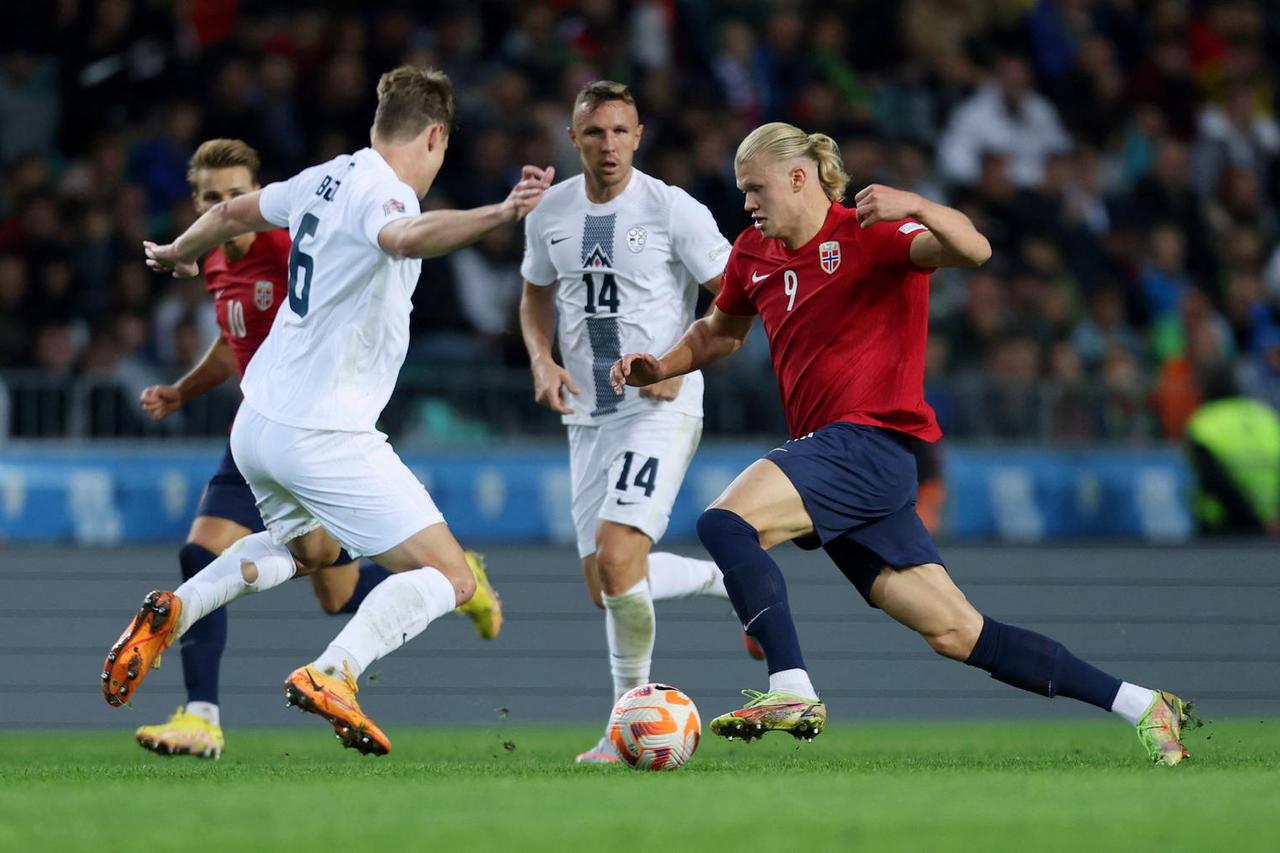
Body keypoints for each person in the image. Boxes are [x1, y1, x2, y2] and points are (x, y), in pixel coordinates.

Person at [612, 122, 1199, 766]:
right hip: (841, 461)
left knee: (725, 523)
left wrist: (918, 205)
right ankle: (1143, 704)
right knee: (959, 633)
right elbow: (720, 332)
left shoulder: (874, 233)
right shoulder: (753, 253)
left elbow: (974, 251)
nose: (747, 204)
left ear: (799, 178)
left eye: (755, 188)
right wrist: (662, 366)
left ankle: (790, 687)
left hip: (869, 442)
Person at [103, 65, 549, 756]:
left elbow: (227, 214)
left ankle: (179, 606)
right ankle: (334, 672)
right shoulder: (386, 194)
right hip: (325, 429)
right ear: (435, 136)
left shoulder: (326, 175)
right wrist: (500, 212)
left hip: (257, 423)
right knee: (451, 576)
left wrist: (174, 253)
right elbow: (405, 238)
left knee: (311, 549)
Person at [519, 81, 758, 764]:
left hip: (659, 406)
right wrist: (541, 359)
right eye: (595, 132)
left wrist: (685, 359)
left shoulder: (671, 209)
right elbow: (534, 298)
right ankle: (726, 579)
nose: (608, 144)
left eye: (621, 131)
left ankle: (623, 729)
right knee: (609, 585)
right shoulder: (551, 213)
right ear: (574, 140)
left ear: (639, 135)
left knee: (621, 557)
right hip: (587, 417)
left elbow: (736, 295)